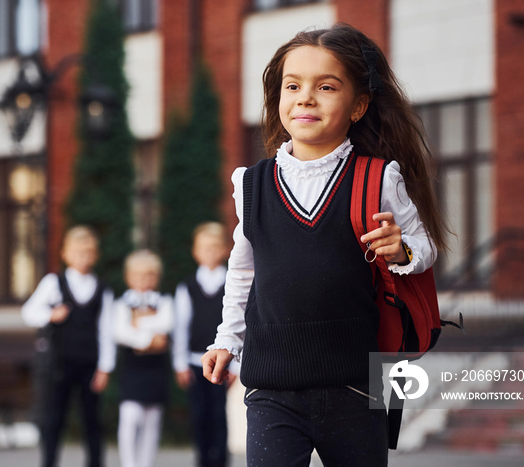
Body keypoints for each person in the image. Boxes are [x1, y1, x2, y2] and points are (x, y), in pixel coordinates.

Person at [201, 23, 448, 467]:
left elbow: (425, 245)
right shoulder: (250, 183)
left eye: (326, 86)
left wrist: (402, 250)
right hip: (271, 387)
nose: (305, 97)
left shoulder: (379, 177)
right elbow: (243, 272)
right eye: (292, 85)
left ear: (358, 106)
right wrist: (226, 340)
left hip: (357, 384)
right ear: (278, 100)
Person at [21, 225, 115, 467]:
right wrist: (51, 315)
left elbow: (106, 330)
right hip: (59, 364)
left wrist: (105, 367)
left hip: (89, 364)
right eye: (77, 252)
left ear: (95, 255)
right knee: (53, 420)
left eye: (88, 252)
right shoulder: (54, 283)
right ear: (65, 254)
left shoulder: (102, 289)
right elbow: (29, 312)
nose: (83, 257)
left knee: (92, 421)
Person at [173, 222, 239, 467]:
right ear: (195, 251)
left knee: (219, 416)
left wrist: (236, 367)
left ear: (224, 250)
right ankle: (202, 460)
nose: (210, 252)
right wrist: (179, 363)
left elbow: (241, 323)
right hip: (194, 361)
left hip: (224, 363)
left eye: (215, 247)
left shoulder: (232, 285)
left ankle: (221, 461)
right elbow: (181, 327)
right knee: (199, 416)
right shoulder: (187, 287)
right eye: (204, 247)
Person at [113, 249, 174, 467]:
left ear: (156, 277)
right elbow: (120, 332)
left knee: (152, 421)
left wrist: (138, 325)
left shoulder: (164, 301)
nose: (144, 280)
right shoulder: (122, 303)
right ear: (128, 277)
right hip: (132, 368)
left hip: (155, 369)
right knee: (130, 418)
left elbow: (166, 324)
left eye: (149, 275)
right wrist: (149, 340)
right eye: (138, 275)